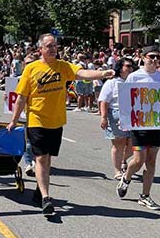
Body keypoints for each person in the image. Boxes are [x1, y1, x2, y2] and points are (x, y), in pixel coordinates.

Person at [6, 34, 114, 215]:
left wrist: (103, 73)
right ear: (41, 49)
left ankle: (39, 193)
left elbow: (80, 73)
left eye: (55, 45)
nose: (53, 48)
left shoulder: (63, 66)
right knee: (40, 158)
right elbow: (21, 97)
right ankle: (47, 199)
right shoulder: (31, 69)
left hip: (56, 121)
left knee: (47, 159)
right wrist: (14, 121)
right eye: (48, 46)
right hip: (37, 120)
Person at [117, 45, 160, 210]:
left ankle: (145, 195)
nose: (154, 60)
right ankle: (126, 177)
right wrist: (124, 119)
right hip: (139, 122)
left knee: (152, 159)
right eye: (151, 56)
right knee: (139, 159)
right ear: (143, 57)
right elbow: (125, 98)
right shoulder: (134, 77)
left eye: (157, 57)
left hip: (156, 123)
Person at [98, 57, 134, 180]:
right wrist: (103, 117)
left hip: (134, 115)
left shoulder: (134, 81)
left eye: (131, 66)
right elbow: (104, 101)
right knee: (119, 144)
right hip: (116, 114)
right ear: (120, 68)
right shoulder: (112, 83)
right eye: (127, 66)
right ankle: (117, 170)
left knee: (134, 145)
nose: (130, 68)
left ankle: (123, 159)